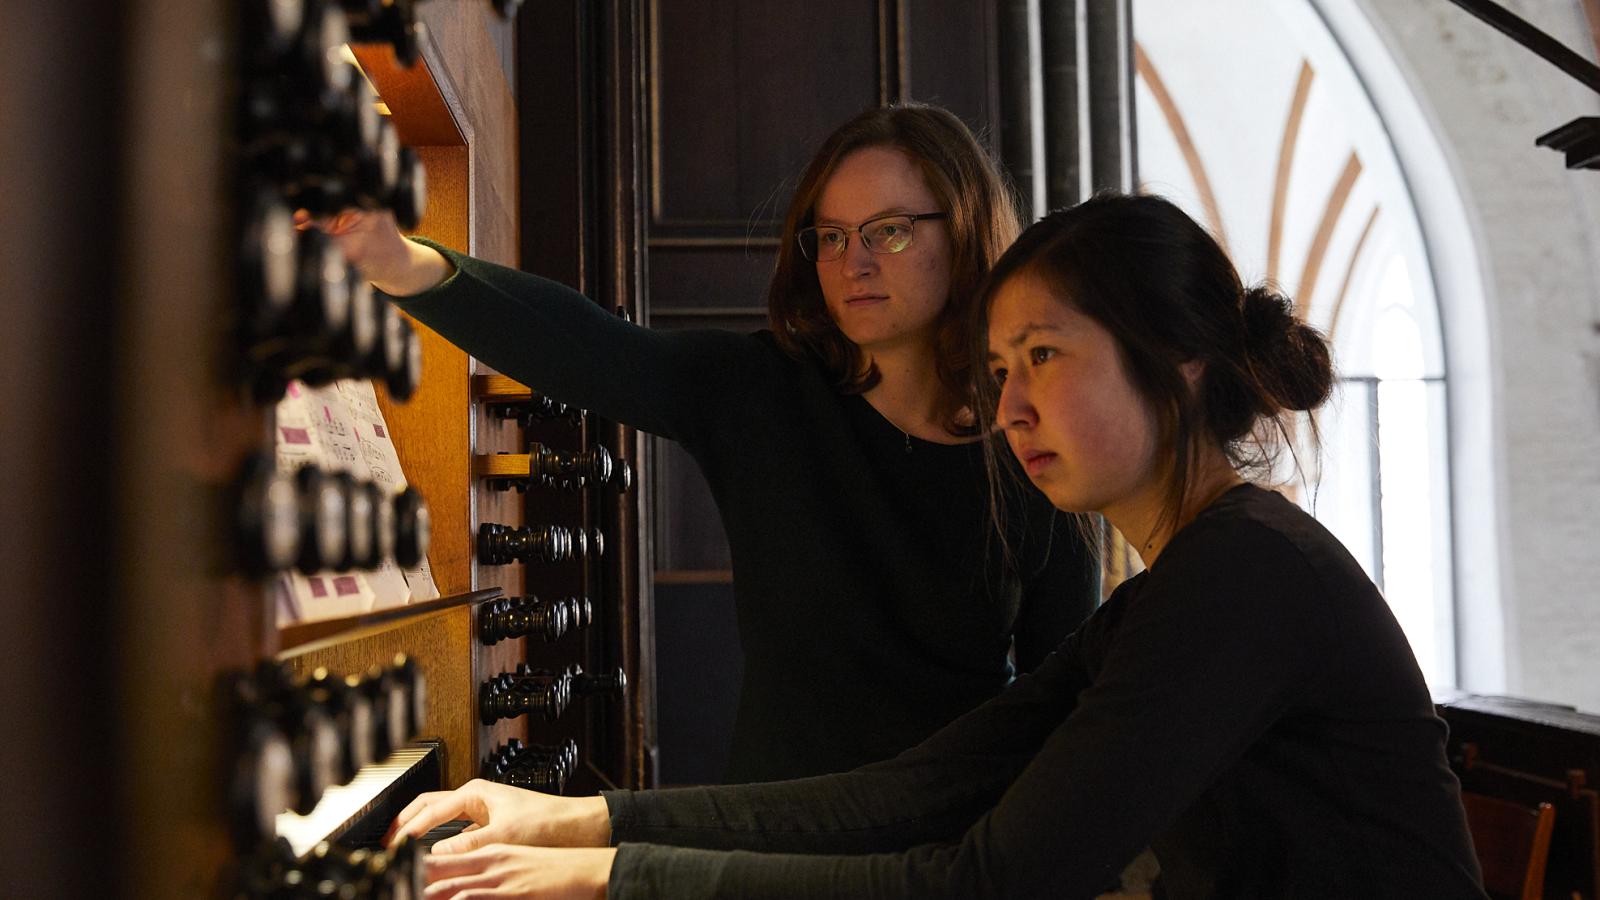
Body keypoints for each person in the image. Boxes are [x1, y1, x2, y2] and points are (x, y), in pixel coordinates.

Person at [384, 193, 1487, 899]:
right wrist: (583, 819)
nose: (1010, 407)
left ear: (1182, 361)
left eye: (1045, 355)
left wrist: (608, 875)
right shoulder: (1181, 585)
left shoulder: (1245, 578)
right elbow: (919, 788)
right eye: (1000, 370)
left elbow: (987, 881)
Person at [321, 103, 1099, 783]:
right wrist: (397, 263)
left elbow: (1065, 710)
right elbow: (589, 347)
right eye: (828, 236)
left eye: (889, 231)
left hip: (954, 857)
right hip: (772, 846)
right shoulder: (765, 393)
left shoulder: (1033, 445)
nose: (852, 261)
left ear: (963, 230)